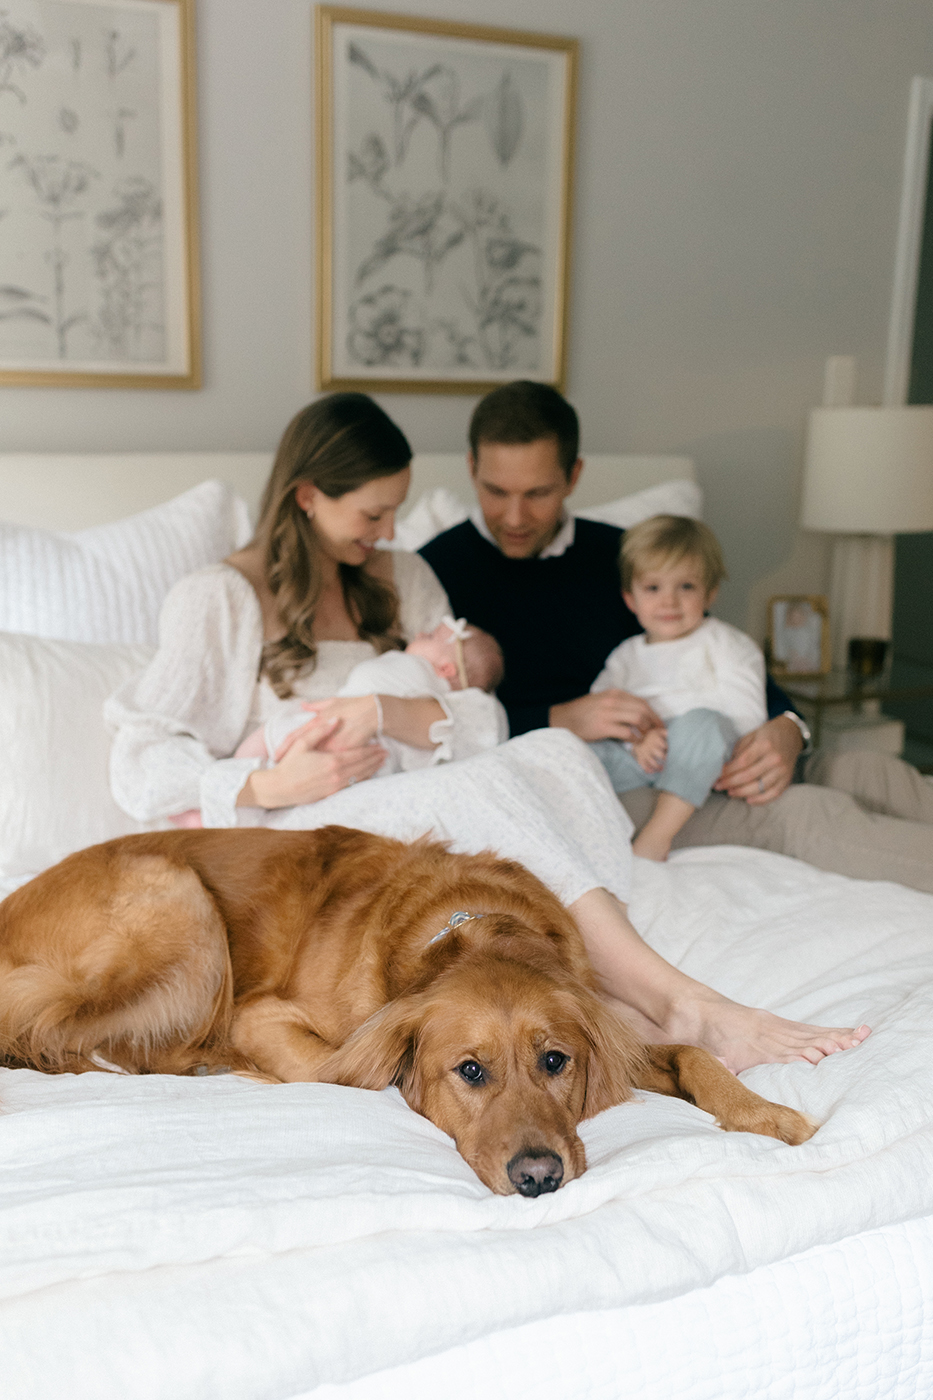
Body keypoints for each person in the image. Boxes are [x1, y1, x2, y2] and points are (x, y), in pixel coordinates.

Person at [105, 392, 867, 1072]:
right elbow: (141, 759)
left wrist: (385, 713)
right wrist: (267, 783)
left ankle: (606, 990)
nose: (389, 531)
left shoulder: (402, 579)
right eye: (371, 514)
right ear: (307, 496)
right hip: (304, 829)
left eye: (396, 511)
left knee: (549, 750)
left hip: (414, 802)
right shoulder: (220, 598)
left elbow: (482, 719)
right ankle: (678, 1003)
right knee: (485, 783)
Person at [420, 380, 933, 893]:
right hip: (611, 780)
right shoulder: (435, 572)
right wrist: (557, 718)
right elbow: (430, 728)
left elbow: (708, 644)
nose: (515, 517)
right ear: (472, 469)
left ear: (574, 476)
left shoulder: (624, 556)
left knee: (867, 771)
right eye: (496, 491)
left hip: (705, 740)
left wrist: (788, 727)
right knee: (809, 813)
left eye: (537, 494)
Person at [590, 515, 767, 861]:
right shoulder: (626, 656)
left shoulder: (727, 645)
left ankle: (657, 835)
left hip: (706, 754)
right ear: (631, 598)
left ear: (710, 592)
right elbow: (603, 711)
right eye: (653, 588)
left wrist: (677, 737)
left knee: (703, 723)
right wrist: (636, 741)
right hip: (643, 757)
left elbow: (747, 716)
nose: (669, 602)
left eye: (685, 587)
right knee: (576, 749)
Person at [236, 616, 506, 778]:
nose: (421, 634)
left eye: (432, 636)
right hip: (370, 761)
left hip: (333, 728)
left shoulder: (424, 682)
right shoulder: (437, 702)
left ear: (446, 669)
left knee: (265, 741)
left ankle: (231, 789)